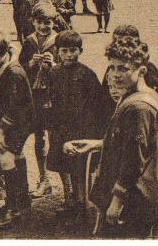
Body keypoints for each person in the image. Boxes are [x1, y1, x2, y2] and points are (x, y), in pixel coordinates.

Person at [70, 36, 158, 238]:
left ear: (142, 71)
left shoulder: (139, 107)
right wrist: (99, 144)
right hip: (135, 195)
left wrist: (116, 201)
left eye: (123, 69)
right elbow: (132, 142)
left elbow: (135, 159)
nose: (115, 74)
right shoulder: (137, 95)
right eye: (112, 68)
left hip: (133, 199)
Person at [47, 31, 108, 220]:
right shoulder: (53, 73)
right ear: (57, 51)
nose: (68, 55)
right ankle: (70, 202)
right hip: (60, 128)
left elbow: (97, 104)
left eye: (73, 50)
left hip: (81, 129)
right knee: (64, 166)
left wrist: (90, 129)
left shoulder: (87, 75)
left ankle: (82, 206)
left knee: (80, 170)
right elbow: (50, 99)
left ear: (80, 51)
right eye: (64, 51)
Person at [0, 28, 34, 229]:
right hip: (4, 118)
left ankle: (12, 208)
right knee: (14, 156)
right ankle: (23, 197)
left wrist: (0, 132)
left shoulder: (14, 72)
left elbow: (15, 106)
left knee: (6, 157)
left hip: (19, 120)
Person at [18, 3, 59, 198]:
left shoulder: (59, 41)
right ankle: (45, 179)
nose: (43, 26)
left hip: (53, 96)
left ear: (54, 22)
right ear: (33, 22)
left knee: (57, 138)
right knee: (39, 137)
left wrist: (54, 65)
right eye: (40, 22)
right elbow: (20, 68)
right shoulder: (29, 41)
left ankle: (68, 189)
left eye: (48, 22)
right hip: (35, 96)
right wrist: (31, 62)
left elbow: (67, 67)